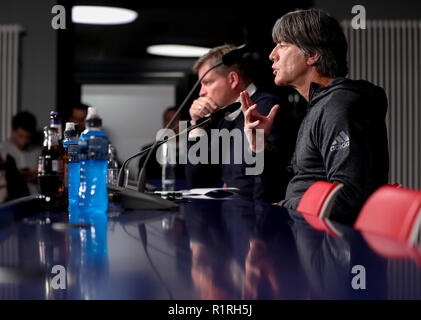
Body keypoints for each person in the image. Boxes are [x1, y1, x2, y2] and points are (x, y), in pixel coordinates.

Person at [241, 9, 389, 224]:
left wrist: (282, 207)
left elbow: (348, 198)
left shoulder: (339, 106)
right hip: (305, 233)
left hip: (327, 247)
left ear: (311, 55)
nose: (272, 54)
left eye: (282, 45)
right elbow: (289, 187)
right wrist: (260, 147)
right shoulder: (319, 105)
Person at [186, 44, 299, 203]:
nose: (201, 92)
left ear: (233, 79)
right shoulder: (225, 116)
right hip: (234, 218)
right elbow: (198, 182)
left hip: (258, 222)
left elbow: (271, 184)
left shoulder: (264, 108)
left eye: (208, 82)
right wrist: (197, 127)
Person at [138, 107, 186, 181]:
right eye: (168, 120)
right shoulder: (149, 152)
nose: (172, 124)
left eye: (176, 120)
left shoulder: (194, 151)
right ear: (164, 124)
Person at [0, 111, 41, 195]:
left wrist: (37, 176)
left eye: (28, 137)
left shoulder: (39, 152)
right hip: (10, 201)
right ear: (13, 130)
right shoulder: (2, 150)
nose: (24, 141)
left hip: (35, 200)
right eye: (21, 136)